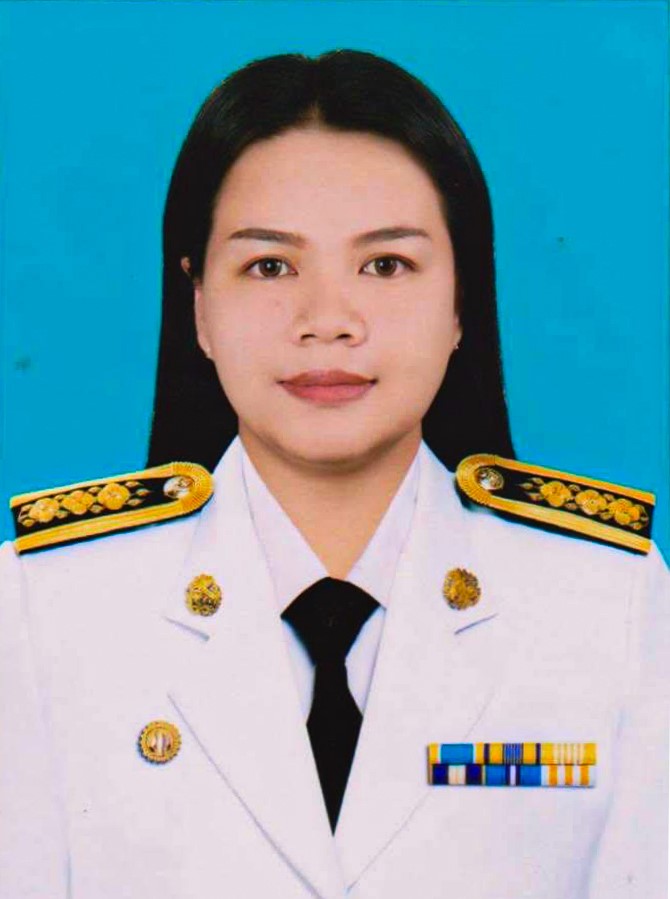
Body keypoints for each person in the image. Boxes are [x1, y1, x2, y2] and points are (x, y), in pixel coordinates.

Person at [1, 49, 668, 899]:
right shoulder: (44, 607)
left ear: (462, 300)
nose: (327, 320)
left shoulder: (609, 603)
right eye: (270, 266)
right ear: (198, 303)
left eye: (385, 265)